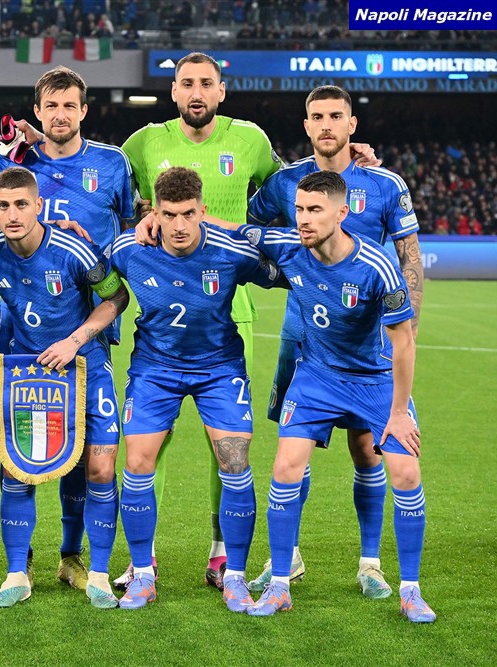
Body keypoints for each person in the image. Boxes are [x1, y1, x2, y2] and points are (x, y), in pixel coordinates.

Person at [118, 51, 378, 591]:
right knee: (149, 443)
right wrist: (143, 218)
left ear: (221, 91)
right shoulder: (142, 143)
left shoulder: (251, 140)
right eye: (186, 83)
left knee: (228, 444)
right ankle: (144, 558)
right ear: (173, 91)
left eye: (205, 83)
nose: (196, 92)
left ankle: (221, 553)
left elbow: (296, 191)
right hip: (164, 310)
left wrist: (348, 165)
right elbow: (111, 194)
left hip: (231, 308)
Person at [243, 85, 424, 598]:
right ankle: (288, 558)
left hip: (368, 341)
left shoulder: (383, 183)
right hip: (303, 335)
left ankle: (370, 563)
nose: (326, 124)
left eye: (335, 116)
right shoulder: (285, 182)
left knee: (367, 450)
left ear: (351, 124)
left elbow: (410, 257)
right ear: (306, 125)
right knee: (292, 447)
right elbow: (248, 230)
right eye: (317, 116)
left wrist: (405, 330)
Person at [0, 66, 137, 592]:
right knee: (22, 449)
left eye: (70, 105)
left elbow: (129, 230)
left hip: (89, 321)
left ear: (83, 110)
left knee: (86, 452)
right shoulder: (16, 161)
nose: (60, 114)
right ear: (37, 111)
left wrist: (94, 251)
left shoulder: (112, 163)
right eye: (51, 105)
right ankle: (20, 562)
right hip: (21, 331)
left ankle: (74, 558)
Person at [0, 166, 130, 608]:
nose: (13, 214)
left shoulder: (73, 250)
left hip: (85, 368)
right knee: (17, 469)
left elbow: (117, 296)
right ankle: (17, 572)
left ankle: (90, 569)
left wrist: (74, 341)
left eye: (22, 205)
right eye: (4, 206)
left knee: (99, 469)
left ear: (39, 206)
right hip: (26, 374)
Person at [110, 167, 285, 612]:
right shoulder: (129, 249)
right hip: (155, 369)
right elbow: (86, 274)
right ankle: (143, 574)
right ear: (155, 213)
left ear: (203, 211)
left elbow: (290, 271)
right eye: (170, 214)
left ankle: (236, 577)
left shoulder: (230, 251)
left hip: (218, 369)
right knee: (137, 462)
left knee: (235, 461)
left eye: (189, 213)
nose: (180, 225)